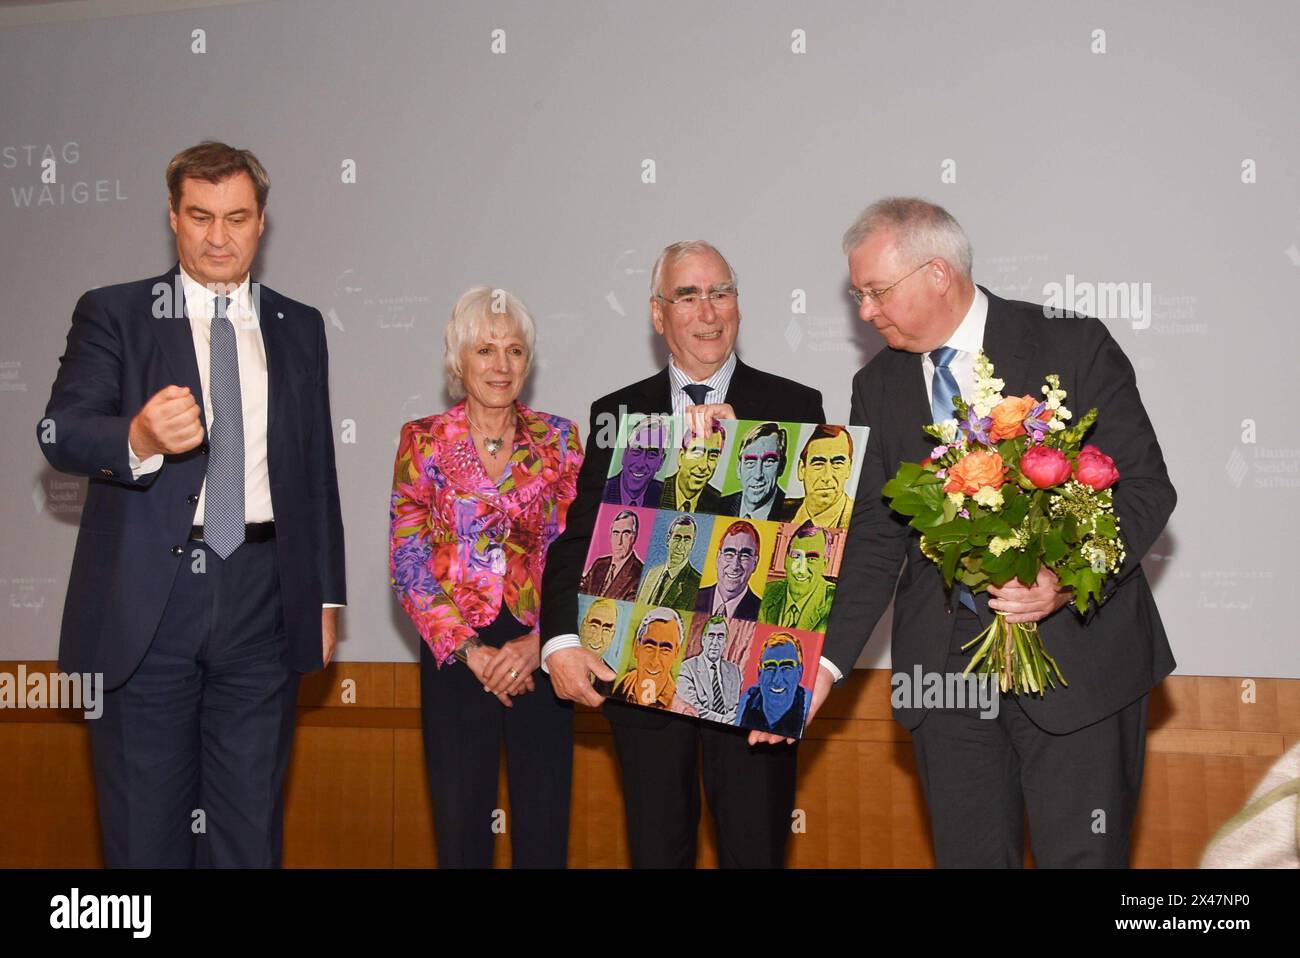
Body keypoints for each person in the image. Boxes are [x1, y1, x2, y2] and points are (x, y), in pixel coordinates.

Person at [812, 197, 1176, 867]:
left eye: (875, 291)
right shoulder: (878, 386)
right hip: (946, 684)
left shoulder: (1070, 341)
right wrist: (824, 665)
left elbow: (1148, 491)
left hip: (1081, 669)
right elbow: (874, 538)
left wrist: (1061, 583)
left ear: (938, 273)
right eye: (858, 294)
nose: (865, 311)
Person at [35, 141, 346, 867]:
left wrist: (326, 596)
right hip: (149, 602)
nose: (217, 236)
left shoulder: (298, 325)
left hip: (263, 597)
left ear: (261, 222)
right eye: (200, 216)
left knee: (247, 835)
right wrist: (138, 434)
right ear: (172, 217)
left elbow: (314, 470)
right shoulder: (114, 313)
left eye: (236, 217)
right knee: (145, 839)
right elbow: (62, 431)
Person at [540, 240, 825, 868]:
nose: (708, 311)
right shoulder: (617, 414)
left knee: (755, 851)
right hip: (642, 672)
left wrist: (739, 455)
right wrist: (559, 642)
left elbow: (809, 550)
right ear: (656, 313)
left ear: (739, 306)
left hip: (753, 682)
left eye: (721, 292)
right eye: (688, 295)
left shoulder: (794, 408)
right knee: (656, 852)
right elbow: (580, 539)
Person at [390, 286, 583, 868]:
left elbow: (579, 558)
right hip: (454, 658)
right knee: (460, 837)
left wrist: (538, 643)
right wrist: (474, 655)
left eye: (515, 350)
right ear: (459, 360)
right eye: (485, 350)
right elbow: (408, 563)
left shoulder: (562, 439)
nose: (501, 365)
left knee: (544, 834)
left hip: (545, 654)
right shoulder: (422, 440)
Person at [757, 522, 836, 631]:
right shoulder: (765, 592)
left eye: (812, 559)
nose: (801, 569)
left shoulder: (835, 601)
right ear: (786, 560)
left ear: (824, 565)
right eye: (796, 556)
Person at [777, 425, 855, 528]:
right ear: (801, 469)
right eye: (818, 463)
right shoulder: (778, 510)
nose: (826, 477)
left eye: (837, 463)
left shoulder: (860, 515)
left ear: (849, 468)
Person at [673, 615, 743, 724]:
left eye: (720, 637)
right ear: (703, 640)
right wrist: (722, 720)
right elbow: (692, 708)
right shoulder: (686, 668)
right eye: (711, 636)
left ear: (725, 643)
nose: (715, 643)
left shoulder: (735, 671)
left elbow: (736, 707)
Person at [737, 633, 808, 737]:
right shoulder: (744, 701)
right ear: (760, 673)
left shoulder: (808, 708)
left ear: (799, 672)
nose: (776, 680)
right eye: (770, 668)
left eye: (786, 668)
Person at [612, 607, 684, 709]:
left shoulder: (679, 703)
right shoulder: (626, 683)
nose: (654, 662)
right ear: (636, 647)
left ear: (676, 653)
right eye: (649, 647)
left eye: (665, 650)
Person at [694, 520, 763, 620]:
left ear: (755, 563)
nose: (735, 566)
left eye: (744, 555)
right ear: (718, 558)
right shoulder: (693, 597)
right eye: (729, 554)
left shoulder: (761, 612)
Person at [719, 421, 788, 519]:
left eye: (769, 461)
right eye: (750, 463)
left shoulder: (790, 513)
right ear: (739, 469)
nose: (758, 475)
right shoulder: (721, 506)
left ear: (782, 466)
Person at [660, 419, 726, 513]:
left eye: (713, 456)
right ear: (681, 456)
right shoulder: (657, 492)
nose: (703, 466)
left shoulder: (720, 503)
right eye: (697, 453)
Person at [636, 514, 702, 608]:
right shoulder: (651, 574)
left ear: (692, 544)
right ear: (668, 540)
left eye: (686, 540)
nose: (680, 546)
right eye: (677, 538)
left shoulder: (696, 584)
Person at [577, 509, 643, 601]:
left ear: (634, 537)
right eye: (616, 533)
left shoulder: (639, 573)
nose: (619, 542)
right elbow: (581, 592)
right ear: (610, 536)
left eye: (625, 534)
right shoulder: (599, 564)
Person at [603, 414, 669, 506]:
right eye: (637, 450)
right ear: (625, 453)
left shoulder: (664, 497)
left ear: (661, 462)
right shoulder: (601, 492)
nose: (640, 464)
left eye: (652, 454)